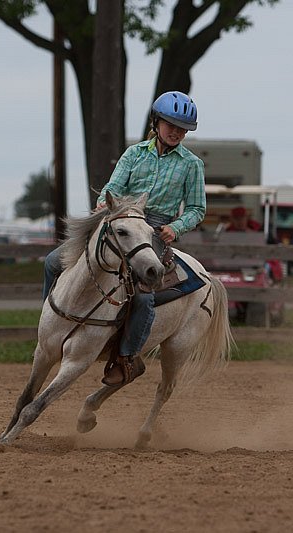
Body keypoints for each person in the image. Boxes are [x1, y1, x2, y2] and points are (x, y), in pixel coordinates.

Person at [43, 90, 205, 387]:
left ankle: (126, 356)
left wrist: (177, 226)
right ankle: (50, 329)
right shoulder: (134, 154)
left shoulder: (191, 164)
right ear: (157, 123)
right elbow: (114, 186)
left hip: (155, 229)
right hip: (122, 218)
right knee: (54, 261)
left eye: (183, 129)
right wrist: (107, 204)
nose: (177, 133)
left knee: (144, 294)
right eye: (172, 125)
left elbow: (197, 208)